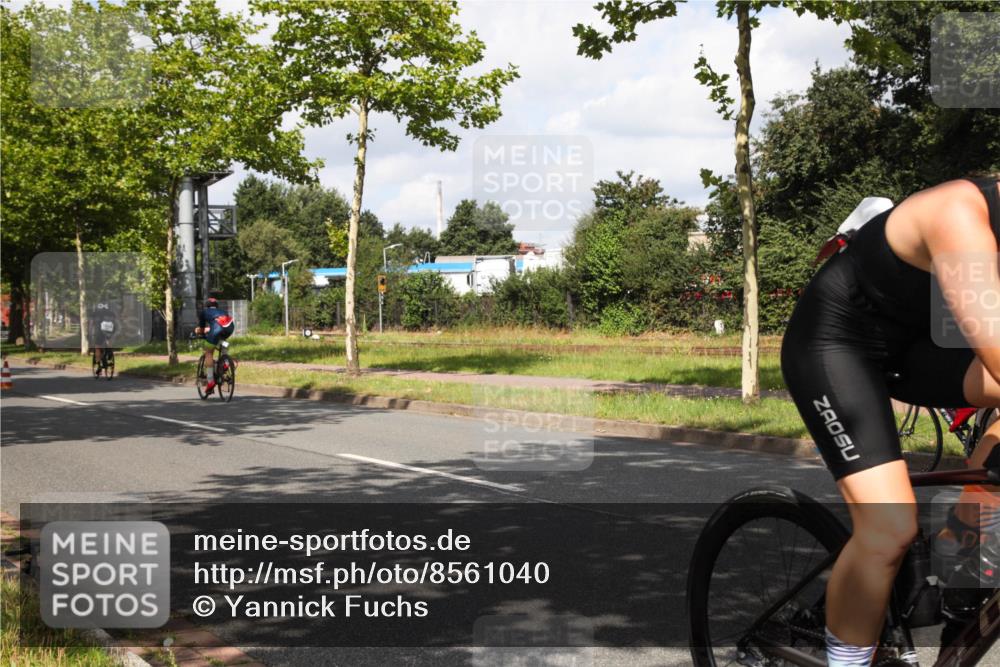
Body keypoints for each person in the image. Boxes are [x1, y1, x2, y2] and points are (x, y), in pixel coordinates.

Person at [781, 175, 1000, 666]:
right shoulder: (960, 212)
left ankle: (964, 559)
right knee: (889, 526)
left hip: (918, 351)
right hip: (837, 344)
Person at [194, 297, 235, 393]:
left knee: (208, 352)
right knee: (222, 342)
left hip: (216, 328)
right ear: (216, 306)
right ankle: (225, 363)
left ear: (207, 306)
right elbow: (220, 324)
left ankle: (210, 381)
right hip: (230, 327)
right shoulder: (222, 311)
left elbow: (201, 329)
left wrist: (197, 331)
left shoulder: (204, 312)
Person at [89, 300, 119, 367]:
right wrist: (115, 331)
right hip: (110, 331)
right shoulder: (111, 313)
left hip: (99, 332)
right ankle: (109, 355)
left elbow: (91, 325)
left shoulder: (94, 313)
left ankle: (98, 361)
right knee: (108, 344)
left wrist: (90, 333)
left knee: (97, 346)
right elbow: (116, 323)